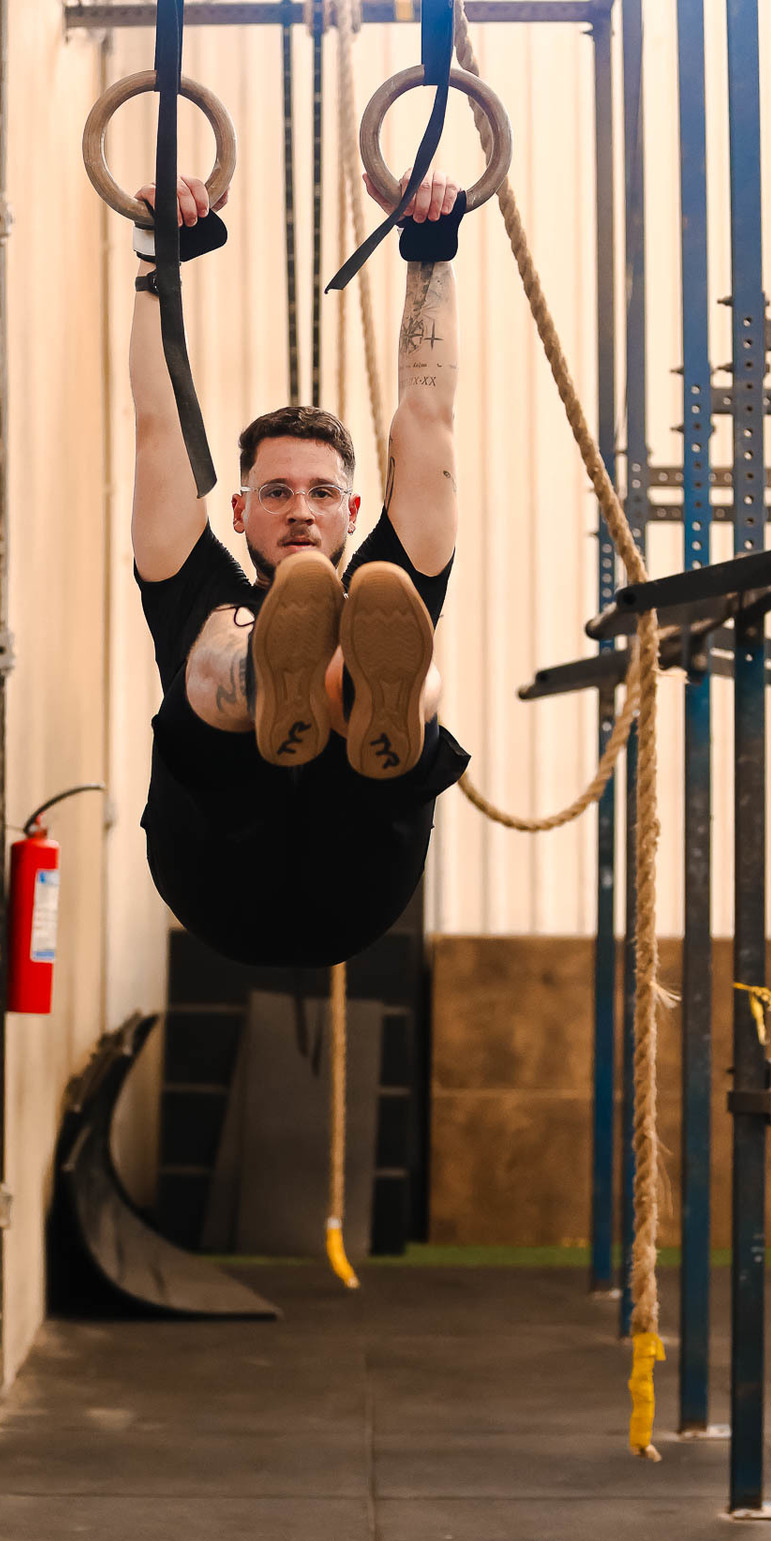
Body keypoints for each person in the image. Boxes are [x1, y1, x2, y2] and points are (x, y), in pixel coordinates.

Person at [130, 165, 470, 969]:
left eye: (322, 494)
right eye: (276, 492)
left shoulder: (387, 577)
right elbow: (157, 424)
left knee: (396, 631)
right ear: (238, 510)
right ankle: (275, 676)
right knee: (223, 633)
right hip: (216, 874)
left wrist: (429, 248)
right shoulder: (193, 582)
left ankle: (354, 691)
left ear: (354, 511)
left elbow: (428, 412)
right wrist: (155, 256)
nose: (301, 511)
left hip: (355, 878)